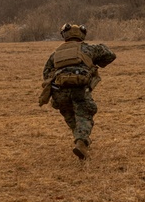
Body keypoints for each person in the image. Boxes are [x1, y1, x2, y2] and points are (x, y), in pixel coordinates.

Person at [40, 23, 117, 159]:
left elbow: (46, 74)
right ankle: (81, 142)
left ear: (65, 36)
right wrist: (95, 62)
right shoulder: (89, 49)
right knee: (84, 115)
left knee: (71, 116)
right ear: (82, 35)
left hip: (60, 93)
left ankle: (81, 141)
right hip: (79, 90)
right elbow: (110, 55)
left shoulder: (56, 54)